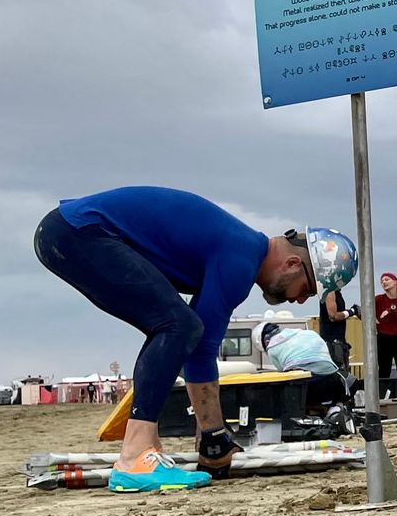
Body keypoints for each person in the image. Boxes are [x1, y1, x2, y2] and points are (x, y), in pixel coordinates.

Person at [32, 187, 356, 493]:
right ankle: (134, 457)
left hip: (71, 230)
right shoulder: (240, 261)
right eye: (307, 289)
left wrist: (211, 433)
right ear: (292, 264)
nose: (300, 301)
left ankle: (146, 448)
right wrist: (214, 435)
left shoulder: (240, 248)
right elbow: (199, 349)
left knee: (173, 326)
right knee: (178, 326)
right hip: (80, 232)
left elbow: (195, 346)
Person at [252, 321, 354, 408]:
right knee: (350, 382)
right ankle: (336, 410)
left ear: (264, 342)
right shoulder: (308, 333)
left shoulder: (272, 348)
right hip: (332, 379)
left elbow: (282, 373)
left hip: (305, 387)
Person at [373, 272, 397, 401]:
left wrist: (391, 311)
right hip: (384, 338)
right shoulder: (378, 299)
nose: (384, 282)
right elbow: (365, 311)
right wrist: (373, 319)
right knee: (384, 370)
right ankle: (381, 399)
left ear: (395, 282)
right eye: (382, 281)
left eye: (387, 279)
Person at [316, 286, 351, 370]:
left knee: (342, 373)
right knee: (338, 373)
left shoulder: (336, 293)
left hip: (338, 341)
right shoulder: (330, 291)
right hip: (332, 343)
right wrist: (351, 312)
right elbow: (333, 316)